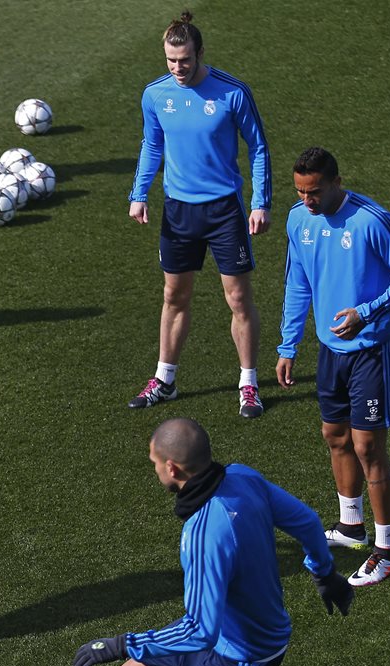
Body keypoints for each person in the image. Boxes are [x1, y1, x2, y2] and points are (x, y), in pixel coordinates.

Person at [73, 418, 352, 666]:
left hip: (239, 655)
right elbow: (306, 520)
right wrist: (324, 573)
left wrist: (121, 643)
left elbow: (199, 629)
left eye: (154, 462)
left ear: (172, 468)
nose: (154, 469)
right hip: (228, 630)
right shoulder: (242, 477)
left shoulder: (204, 533)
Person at [277, 146, 390, 587]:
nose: (307, 200)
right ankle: (351, 526)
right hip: (330, 351)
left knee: (368, 447)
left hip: (373, 349)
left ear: (337, 182)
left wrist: (366, 312)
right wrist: (287, 345)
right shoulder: (298, 220)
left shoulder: (370, 220)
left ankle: (387, 552)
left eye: (315, 191)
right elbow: (298, 282)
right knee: (335, 436)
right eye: (300, 192)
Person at [127, 10, 271, 418]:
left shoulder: (232, 92)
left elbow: (258, 147)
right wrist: (139, 193)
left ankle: (248, 384)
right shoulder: (156, 95)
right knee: (174, 295)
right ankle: (165, 380)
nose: (178, 68)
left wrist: (260, 202)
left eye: (185, 60)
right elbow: (152, 145)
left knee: (238, 298)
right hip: (178, 212)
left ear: (200, 53)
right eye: (171, 60)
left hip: (225, 211)